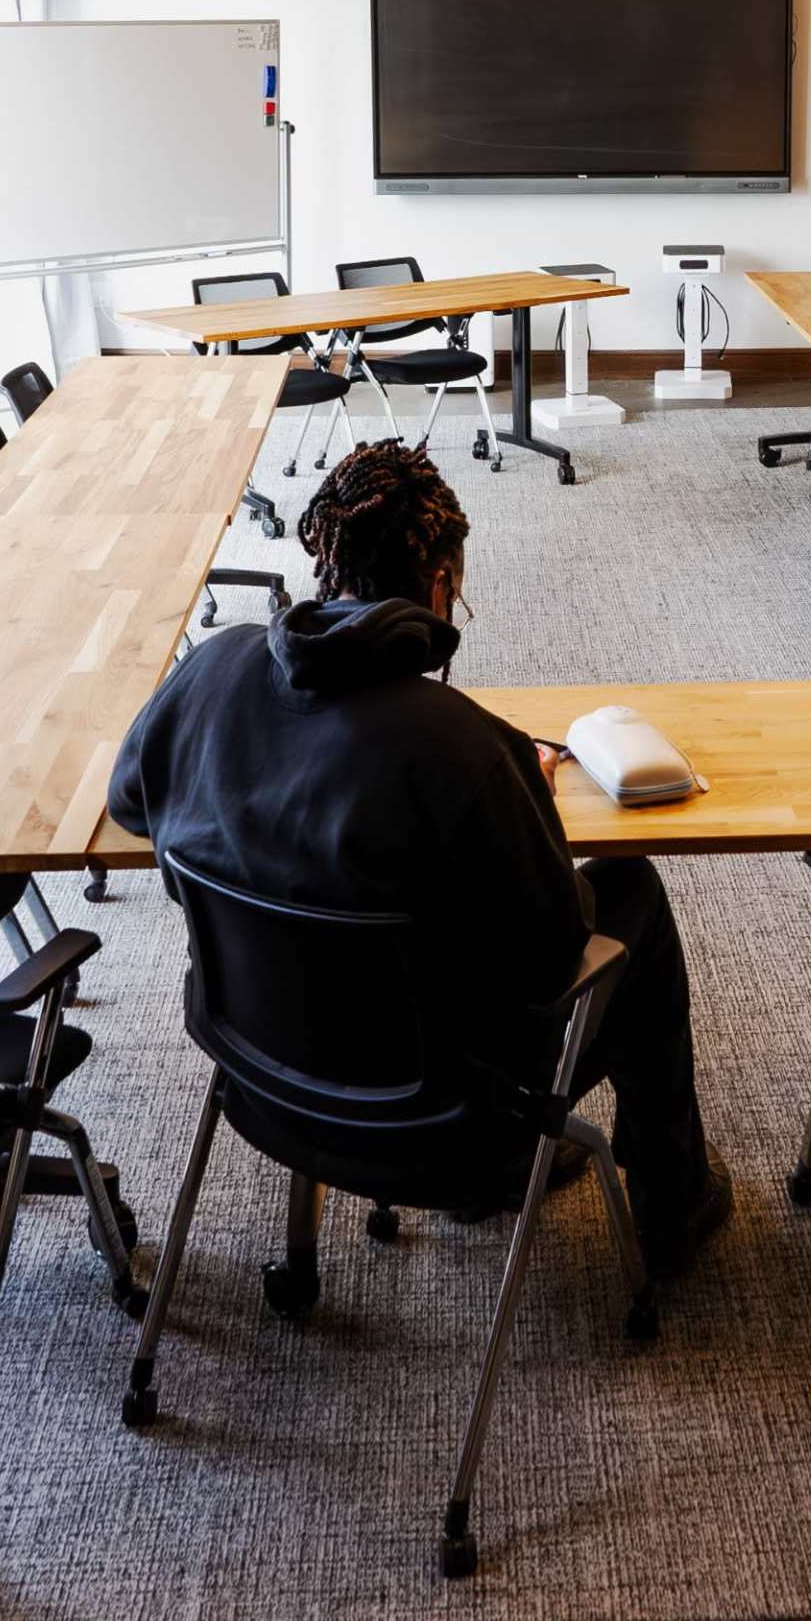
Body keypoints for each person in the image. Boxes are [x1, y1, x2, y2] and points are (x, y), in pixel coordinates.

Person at [108, 438, 731, 1278]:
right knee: (631, 892)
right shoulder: (465, 750)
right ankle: (671, 1199)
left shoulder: (210, 673)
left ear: (326, 562)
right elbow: (550, 955)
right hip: (442, 1119)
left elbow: (129, 802)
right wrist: (521, 801)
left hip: (263, 1079)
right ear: (439, 585)